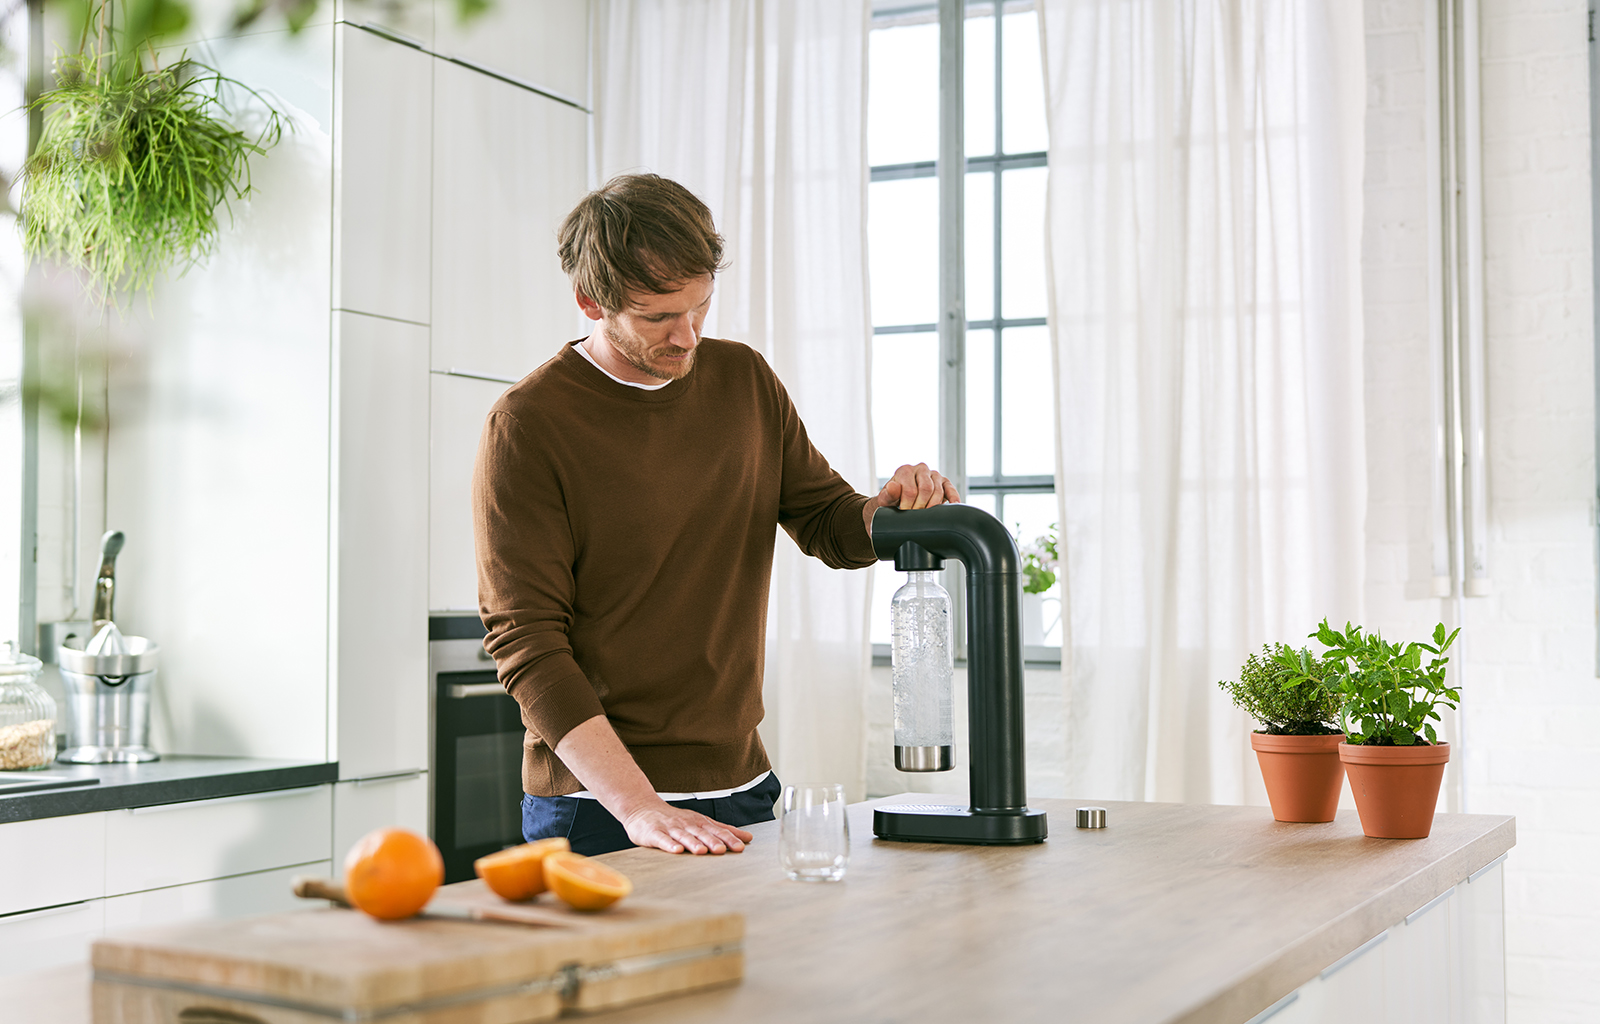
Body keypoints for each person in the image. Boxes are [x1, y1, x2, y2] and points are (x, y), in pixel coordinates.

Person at [472, 173, 959, 857]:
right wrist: (640, 809)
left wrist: (889, 510)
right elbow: (526, 642)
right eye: (657, 316)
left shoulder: (745, 382)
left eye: (700, 306)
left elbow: (827, 521)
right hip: (597, 804)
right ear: (591, 301)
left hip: (744, 785)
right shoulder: (530, 424)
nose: (688, 335)